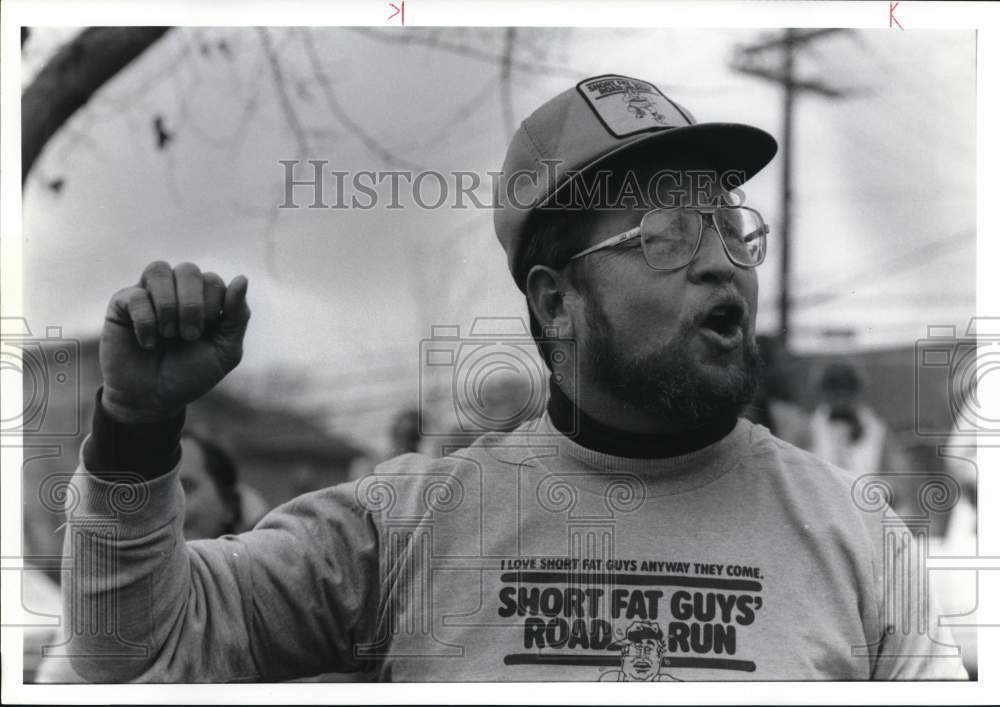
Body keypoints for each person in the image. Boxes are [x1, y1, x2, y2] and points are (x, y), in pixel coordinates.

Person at [62, 74, 966, 682]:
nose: (722, 264)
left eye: (729, 224)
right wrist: (136, 426)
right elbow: (137, 655)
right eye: (665, 234)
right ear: (556, 301)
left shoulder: (861, 541)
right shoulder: (403, 531)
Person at [808, 361, 911, 479]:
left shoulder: (878, 432)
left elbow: (897, 477)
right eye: (835, 393)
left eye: (846, 393)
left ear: (857, 392)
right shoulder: (809, 430)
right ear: (824, 393)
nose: (841, 400)